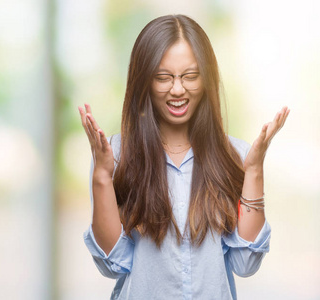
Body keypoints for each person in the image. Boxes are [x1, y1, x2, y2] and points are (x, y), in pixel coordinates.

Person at [78, 14, 289, 300]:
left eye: (190, 76)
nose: (178, 89)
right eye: (163, 78)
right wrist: (102, 177)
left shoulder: (235, 156)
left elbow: (246, 264)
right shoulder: (115, 156)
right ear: (143, 81)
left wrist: (254, 171)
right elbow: (112, 265)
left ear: (207, 78)